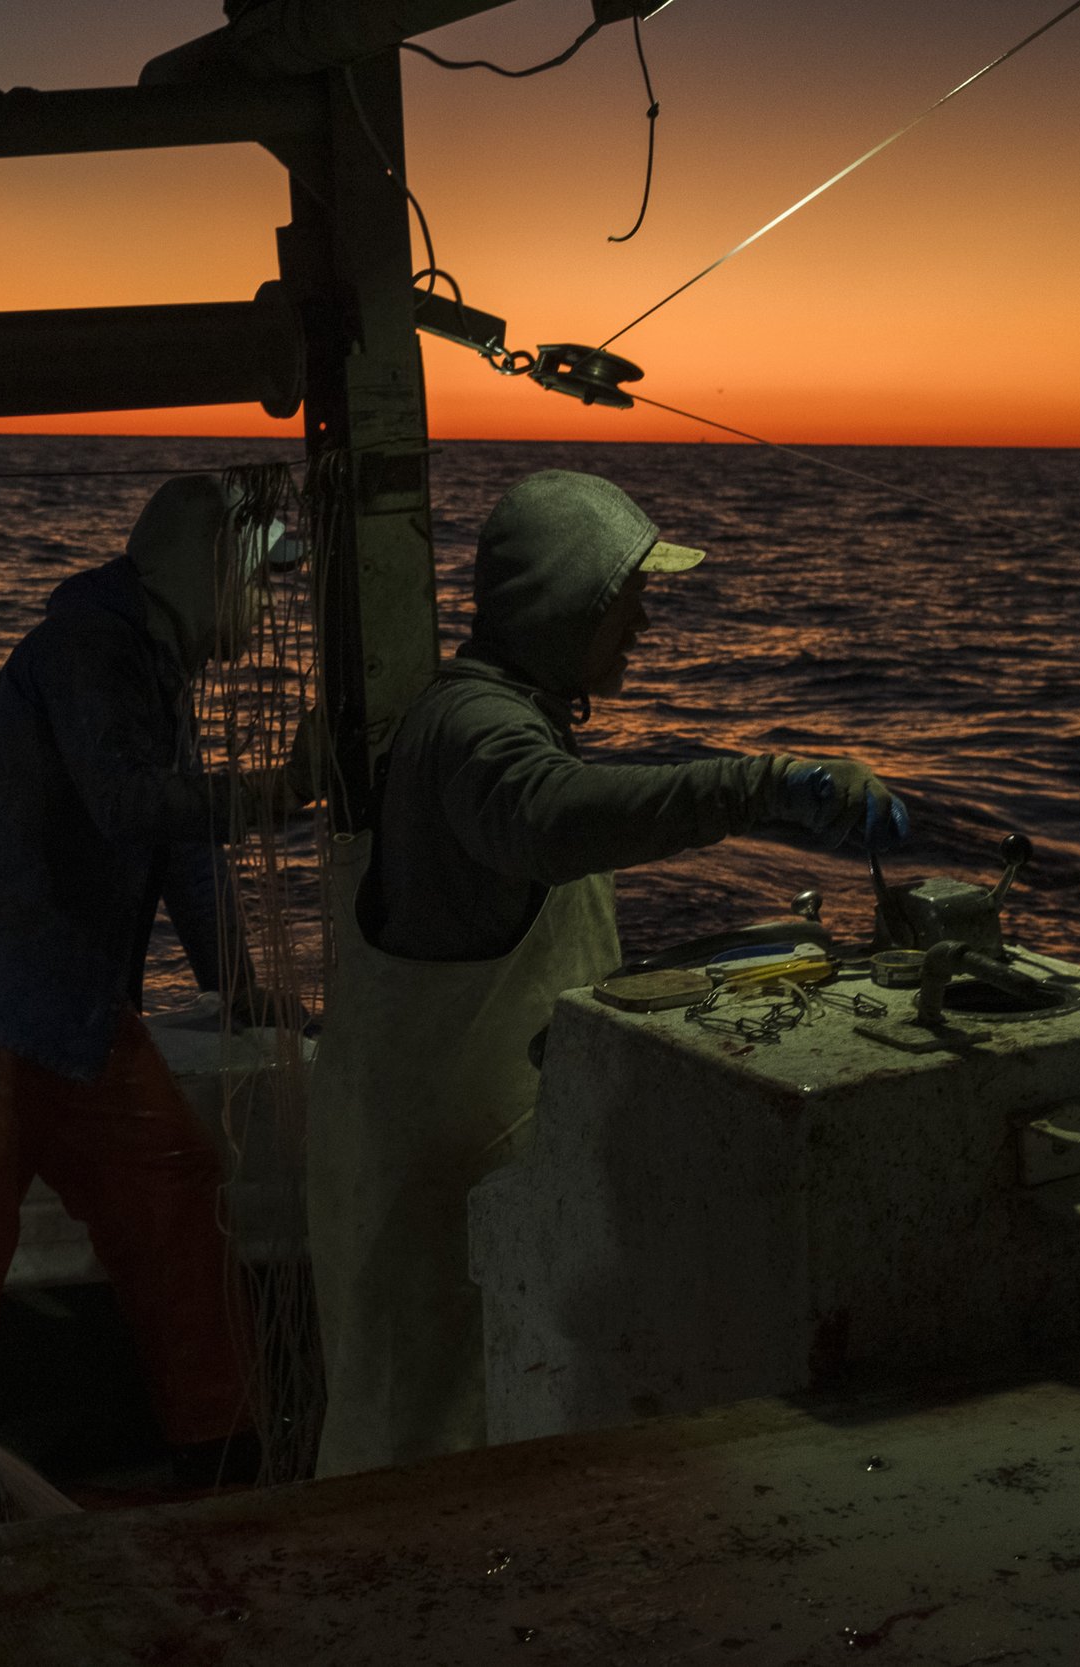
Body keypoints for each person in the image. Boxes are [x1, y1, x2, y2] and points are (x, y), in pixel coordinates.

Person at [306, 469, 908, 1477]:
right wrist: (761, 784)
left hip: (444, 1156)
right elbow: (548, 816)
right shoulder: (481, 735)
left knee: (449, 1422)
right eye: (626, 598)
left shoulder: (474, 714)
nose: (642, 623)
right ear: (564, 602)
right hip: (447, 1183)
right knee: (423, 1453)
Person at [0, 474, 283, 1500]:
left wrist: (240, 988)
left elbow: (181, 847)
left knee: (171, 1185)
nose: (264, 613)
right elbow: (134, 805)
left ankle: (221, 1449)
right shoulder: (89, 648)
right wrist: (280, 786)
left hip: (65, 1003)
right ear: (201, 574)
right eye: (256, 586)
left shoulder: (149, 665)